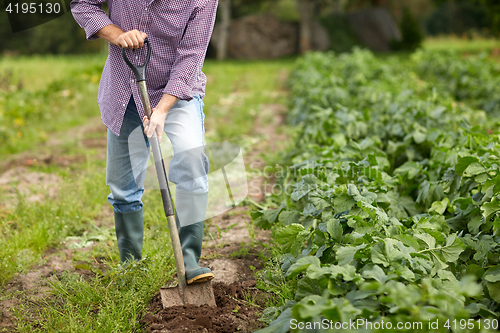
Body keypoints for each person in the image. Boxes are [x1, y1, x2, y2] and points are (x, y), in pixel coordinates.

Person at [70, 0, 218, 284]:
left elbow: (192, 55)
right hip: (125, 88)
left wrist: (162, 110)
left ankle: (189, 260)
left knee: (192, 165)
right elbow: (82, 4)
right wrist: (116, 33)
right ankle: (132, 268)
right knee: (123, 187)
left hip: (178, 92)